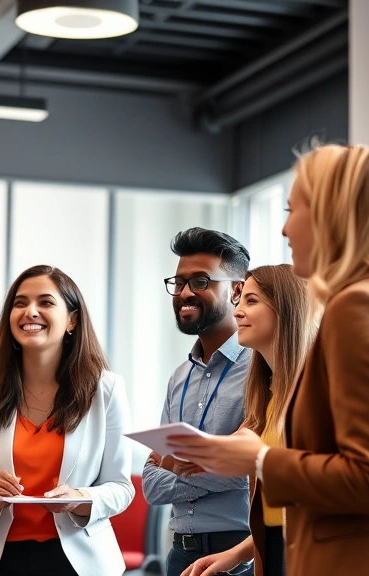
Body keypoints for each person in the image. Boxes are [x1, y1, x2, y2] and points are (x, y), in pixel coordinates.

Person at [168, 144, 369, 576]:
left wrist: (257, 460)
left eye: (292, 210)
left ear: (333, 215)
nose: (284, 230)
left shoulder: (363, 308)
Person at [0, 265, 133, 576]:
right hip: (0, 561)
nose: (30, 312)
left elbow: (121, 487)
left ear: (72, 319)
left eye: (45, 302)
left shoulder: (106, 389)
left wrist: (80, 498)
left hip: (80, 561)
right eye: (20, 303)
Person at [177, 264, 314, 576]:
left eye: (252, 301)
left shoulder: (316, 392)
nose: (237, 311)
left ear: (286, 310)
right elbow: (277, 516)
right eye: (240, 301)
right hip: (276, 551)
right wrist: (237, 554)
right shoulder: (266, 398)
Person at [142, 228, 253, 576]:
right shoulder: (178, 378)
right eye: (179, 282)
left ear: (236, 290)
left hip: (239, 555)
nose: (185, 293)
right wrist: (209, 462)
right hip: (179, 554)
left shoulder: (260, 370)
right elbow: (149, 482)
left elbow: (243, 474)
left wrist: (174, 464)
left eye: (201, 281)